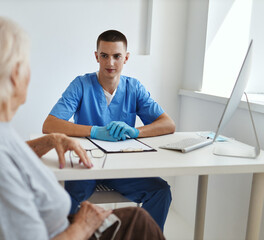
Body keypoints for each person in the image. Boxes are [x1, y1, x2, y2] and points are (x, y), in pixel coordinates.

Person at [0, 14, 165, 240]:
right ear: (14, 75)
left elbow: (4, 156)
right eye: (25, 64)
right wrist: (83, 225)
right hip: (68, 229)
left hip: (60, 220)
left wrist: (48, 141)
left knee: (145, 209)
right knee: (140, 223)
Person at [43, 30, 176, 231]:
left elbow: (168, 124)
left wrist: (136, 132)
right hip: (86, 165)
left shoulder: (134, 88)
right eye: (104, 55)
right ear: (96, 56)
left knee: (161, 191)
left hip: (122, 167)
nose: (110, 63)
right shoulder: (81, 85)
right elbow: (50, 124)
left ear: (126, 58)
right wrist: (94, 131)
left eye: (117, 56)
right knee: (64, 200)